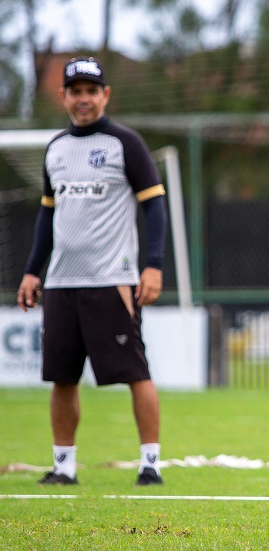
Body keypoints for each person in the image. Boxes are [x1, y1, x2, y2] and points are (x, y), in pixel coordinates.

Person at [17, 56, 167, 486]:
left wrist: (153, 266)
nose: (84, 99)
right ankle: (64, 466)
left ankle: (150, 463)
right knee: (62, 377)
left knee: (136, 372)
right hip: (63, 283)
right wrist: (32, 272)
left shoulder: (126, 144)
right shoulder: (56, 149)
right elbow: (47, 216)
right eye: (76, 91)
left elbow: (154, 205)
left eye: (91, 91)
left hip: (112, 280)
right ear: (63, 96)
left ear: (106, 95)